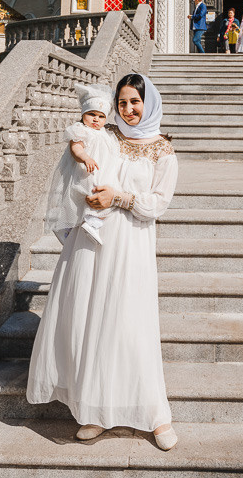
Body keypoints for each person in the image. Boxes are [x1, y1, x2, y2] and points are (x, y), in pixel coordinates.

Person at [27, 72, 179, 450]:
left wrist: (120, 198)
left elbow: (157, 203)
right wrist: (87, 186)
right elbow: (75, 162)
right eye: (123, 102)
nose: (128, 110)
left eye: (135, 102)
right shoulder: (105, 135)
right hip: (92, 239)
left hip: (132, 243)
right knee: (90, 320)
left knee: (129, 323)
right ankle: (94, 410)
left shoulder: (162, 150)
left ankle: (155, 415)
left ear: (150, 103)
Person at [45, 82, 116, 246]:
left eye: (101, 116)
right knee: (86, 195)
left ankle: (78, 226)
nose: (96, 119)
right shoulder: (80, 130)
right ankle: (88, 223)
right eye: (92, 114)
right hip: (85, 171)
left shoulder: (105, 134)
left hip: (100, 169)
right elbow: (75, 148)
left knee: (102, 192)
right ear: (83, 113)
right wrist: (85, 158)